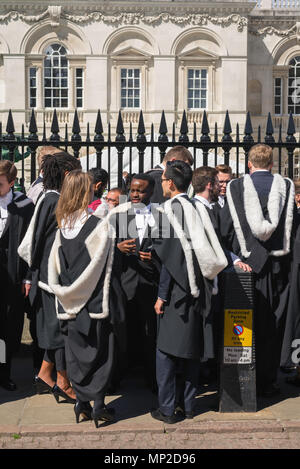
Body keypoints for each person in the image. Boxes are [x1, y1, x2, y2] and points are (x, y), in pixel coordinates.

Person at [151, 160, 228, 423]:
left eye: (163, 179)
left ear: (171, 183)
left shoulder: (164, 212)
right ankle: (189, 405)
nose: (161, 183)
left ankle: (168, 408)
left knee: (166, 352)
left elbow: (164, 261)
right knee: (192, 350)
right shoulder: (199, 207)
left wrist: (161, 295)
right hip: (203, 286)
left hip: (176, 291)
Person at [47, 170, 126, 427]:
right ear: (87, 191)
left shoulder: (62, 226)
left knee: (76, 353)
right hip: (94, 300)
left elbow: (57, 265)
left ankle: (81, 403)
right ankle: (99, 405)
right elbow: (104, 268)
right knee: (102, 351)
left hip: (70, 301)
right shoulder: (98, 225)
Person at [219, 144, 298, 397]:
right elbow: (293, 226)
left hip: (246, 263)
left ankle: (244, 379)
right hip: (278, 265)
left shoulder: (236, 187)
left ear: (249, 164)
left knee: (242, 322)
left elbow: (226, 227)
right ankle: (269, 379)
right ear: (272, 164)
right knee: (273, 323)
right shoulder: (285, 186)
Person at [18, 152, 81, 402]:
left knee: (56, 328)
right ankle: (63, 383)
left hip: (48, 275)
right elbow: (48, 243)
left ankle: (45, 375)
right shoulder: (54, 200)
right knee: (58, 331)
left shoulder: (51, 198)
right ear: (67, 174)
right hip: (51, 276)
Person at [110, 174, 161, 392]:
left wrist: (155, 257)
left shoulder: (161, 216)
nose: (135, 194)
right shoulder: (119, 215)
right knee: (122, 333)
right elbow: (101, 248)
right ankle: (116, 379)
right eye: (132, 190)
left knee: (150, 335)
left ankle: (152, 380)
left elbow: (168, 250)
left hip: (150, 284)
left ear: (151, 192)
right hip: (125, 283)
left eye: (140, 190)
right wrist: (117, 250)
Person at [0, 160, 34, 390]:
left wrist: (28, 277)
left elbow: (31, 244)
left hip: (12, 275)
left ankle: (4, 373)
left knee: (8, 328)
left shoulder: (24, 205)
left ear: (12, 183)